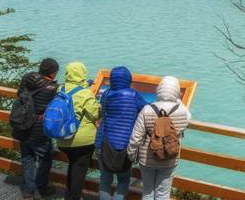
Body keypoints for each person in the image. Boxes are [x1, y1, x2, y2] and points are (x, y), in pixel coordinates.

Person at [127, 76, 191, 200]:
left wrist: (132, 155)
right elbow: (188, 118)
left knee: (147, 191)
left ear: (159, 90)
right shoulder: (182, 112)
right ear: (176, 91)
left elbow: (136, 137)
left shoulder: (147, 109)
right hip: (170, 158)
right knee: (163, 193)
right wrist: (178, 99)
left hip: (147, 158)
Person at [95, 66, 148, 200]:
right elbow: (147, 108)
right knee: (123, 181)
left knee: (105, 180)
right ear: (128, 79)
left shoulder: (106, 94)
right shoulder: (134, 95)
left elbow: (102, 112)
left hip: (103, 142)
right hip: (124, 145)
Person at [14, 58, 60, 199]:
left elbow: (19, 93)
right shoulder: (51, 88)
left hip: (23, 126)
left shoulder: (28, 78)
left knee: (27, 158)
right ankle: (43, 188)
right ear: (52, 72)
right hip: (39, 129)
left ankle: (28, 190)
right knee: (45, 159)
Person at [57, 62, 100, 200]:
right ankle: (73, 197)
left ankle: (68, 195)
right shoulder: (86, 93)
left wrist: (86, 85)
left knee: (73, 166)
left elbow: (74, 92)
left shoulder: (60, 89)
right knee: (79, 171)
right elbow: (95, 114)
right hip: (82, 141)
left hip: (63, 138)